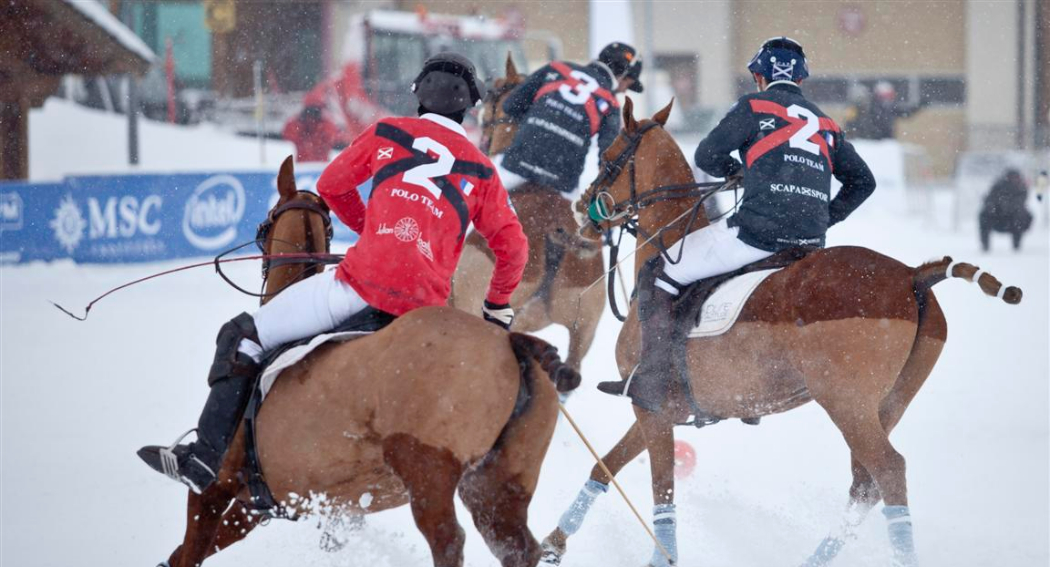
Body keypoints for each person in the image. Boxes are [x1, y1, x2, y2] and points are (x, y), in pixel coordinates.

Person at [139, 53, 529, 493]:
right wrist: (497, 307)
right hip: (424, 314)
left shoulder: (388, 133)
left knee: (242, 335)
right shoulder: (481, 169)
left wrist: (374, 232)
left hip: (358, 289)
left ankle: (204, 461)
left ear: (418, 95)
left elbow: (330, 186)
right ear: (469, 106)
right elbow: (514, 247)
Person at [598, 36, 877, 412]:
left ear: (759, 76)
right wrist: (828, 214)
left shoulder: (753, 105)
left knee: (660, 270)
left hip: (756, 234)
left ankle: (653, 377)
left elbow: (707, 155)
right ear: (801, 79)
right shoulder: (825, 122)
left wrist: (740, 172)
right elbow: (864, 182)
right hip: (810, 242)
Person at [493, 42, 644, 201]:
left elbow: (510, 106)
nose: (625, 90)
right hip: (563, 180)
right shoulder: (611, 104)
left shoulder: (555, 68)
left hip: (518, 163)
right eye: (628, 84)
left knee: (477, 204)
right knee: (587, 224)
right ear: (622, 76)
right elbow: (609, 155)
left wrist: (538, 122)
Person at [847, 80, 923, 141]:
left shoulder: (891, 108)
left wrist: (918, 106)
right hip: (870, 142)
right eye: (885, 96)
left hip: (887, 141)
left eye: (889, 96)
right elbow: (852, 123)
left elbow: (905, 112)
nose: (887, 99)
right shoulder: (867, 107)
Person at [978, 168, 1032, 251]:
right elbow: (989, 200)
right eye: (1012, 177)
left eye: (1016, 177)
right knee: (984, 215)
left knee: (1020, 215)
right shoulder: (998, 187)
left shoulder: (1021, 188)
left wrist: (1007, 206)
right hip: (997, 218)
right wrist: (993, 207)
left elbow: (1019, 204)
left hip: (1014, 220)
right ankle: (985, 246)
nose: (1014, 180)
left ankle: (1016, 246)